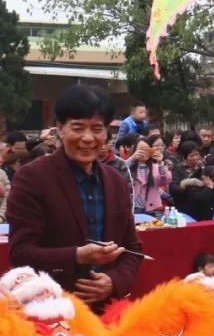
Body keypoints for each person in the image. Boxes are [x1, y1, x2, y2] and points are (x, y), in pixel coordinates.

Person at [6, 85, 142, 308]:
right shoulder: (31, 178)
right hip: (50, 310)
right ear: (60, 128)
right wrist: (78, 256)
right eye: (78, 128)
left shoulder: (115, 180)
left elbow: (133, 249)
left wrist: (113, 281)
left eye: (97, 128)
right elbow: (20, 254)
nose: (88, 138)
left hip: (106, 310)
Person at [128, 137, 172, 216]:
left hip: (153, 209)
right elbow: (119, 172)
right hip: (134, 208)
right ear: (135, 151)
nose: (144, 152)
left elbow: (165, 180)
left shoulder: (155, 167)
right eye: (141, 149)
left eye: (147, 149)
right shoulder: (130, 166)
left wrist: (160, 163)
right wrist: (132, 158)